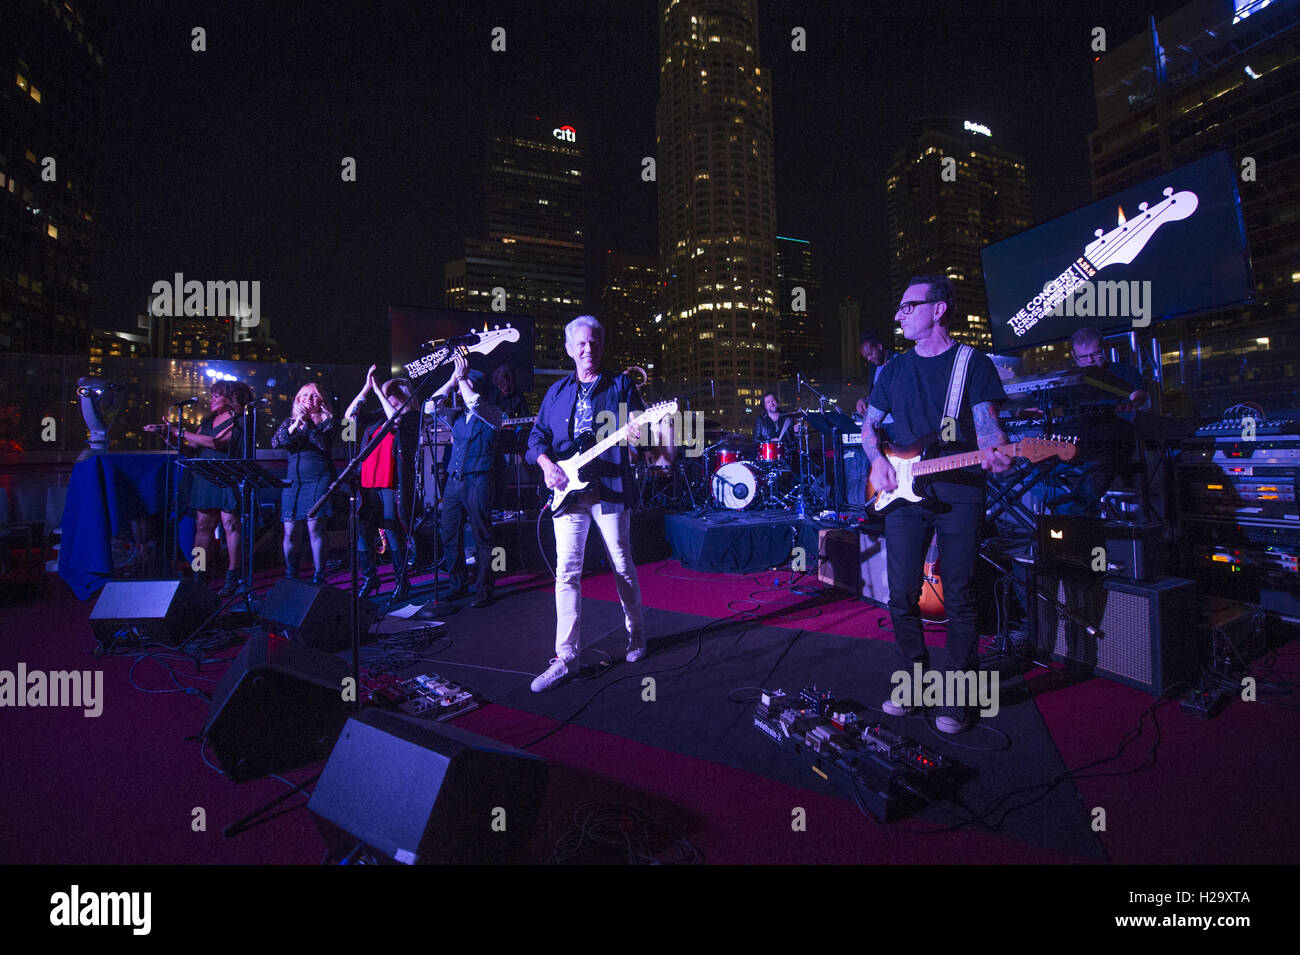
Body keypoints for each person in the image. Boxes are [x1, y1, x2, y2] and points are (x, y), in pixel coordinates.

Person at [861, 275, 1011, 735]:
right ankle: (916, 683)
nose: (898, 315)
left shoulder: (973, 363)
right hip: (904, 493)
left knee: (961, 595)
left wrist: (999, 448)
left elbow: (988, 427)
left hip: (960, 490)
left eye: (908, 307)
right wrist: (877, 463)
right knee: (901, 594)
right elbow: (870, 428)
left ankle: (962, 697)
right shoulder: (894, 371)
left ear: (938, 309)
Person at [525, 315, 672, 692]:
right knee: (566, 572)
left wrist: (641, 433)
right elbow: (536, 438)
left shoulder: (621, 385)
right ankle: (566, 657)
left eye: (595, 342)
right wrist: (546, 466)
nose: (588, 348)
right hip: (566, 491)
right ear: (569, 348)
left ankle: (636, 634)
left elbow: (643, 436)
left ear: (601, 347)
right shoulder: (556, 392)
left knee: (621, 563)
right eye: (582, 343)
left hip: (609, 488)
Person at [147, 379, 252, 596]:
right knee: (203, 527)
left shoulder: (242, 420)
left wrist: (178, 431)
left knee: (230, 524)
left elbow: (216, 443)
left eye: (217, 395)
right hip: (204, 477)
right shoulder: (206, 422)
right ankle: (199, 573)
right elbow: (189, 449)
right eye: (211, 394)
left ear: (231, 398)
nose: (211, 399)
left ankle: (233, 575)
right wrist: (165, 433)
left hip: (227, 475)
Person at [1047, 327, 1150, 516]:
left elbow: (1139, 395)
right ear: (1073, 355)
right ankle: (1068, 506)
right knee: (1028, 469)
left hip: (1110, 443)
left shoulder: (1124, 372)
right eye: (1083, 357)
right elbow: (1052, 406)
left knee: (1097, 472)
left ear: (1105, 348)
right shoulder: (1069, 378)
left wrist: (1133, 403)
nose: (1090, 361)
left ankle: (1072, 514)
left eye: (1095, 354)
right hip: (1075, 442)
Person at [429, 353, 501, 608]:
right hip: (454, 481)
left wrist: (462, 379)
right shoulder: (456, 415)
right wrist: (451, 380)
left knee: (483, 535)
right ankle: (457, 585)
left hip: (479, 480)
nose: (460, 392)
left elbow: (475, 403)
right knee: (449, 534)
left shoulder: (491, 412)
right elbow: (429, 406)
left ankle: (484, 588)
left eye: (465, 384)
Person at [345, 366, 418, 602]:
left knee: (391, 528)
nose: (389, 398)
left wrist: (378, 391)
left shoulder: (411, 418)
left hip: (390, 482)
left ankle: (401, 581)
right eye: (388, 394)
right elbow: (349, 417)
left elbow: (394, 420)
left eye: (393, 394)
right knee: (363, 528)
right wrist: (367, 388)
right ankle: (370, 577)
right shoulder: (377, 415)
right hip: (367, 481)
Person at [273, 383, 337, 584]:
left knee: (315, 527)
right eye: (305, 395)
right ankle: (291, 574)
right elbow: (277, 442)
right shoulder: (289, 422)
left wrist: (308, 423)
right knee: (290, 530)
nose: (309, 399)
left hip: (319, 477)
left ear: (322, 400)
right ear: (298, 400)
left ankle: (319, 575)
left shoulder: (328, 422)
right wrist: (296, 424)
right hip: (294, 481)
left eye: (315, 396)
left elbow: (323, 444)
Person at [855, 328, 894, 417]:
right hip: (881, 422)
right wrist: (864, 400)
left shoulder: (897, 361)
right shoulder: (874, 368)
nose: (868, 359)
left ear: (879, 346)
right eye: (866, 357)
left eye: (870, 354)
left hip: (896, 422)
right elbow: (877, 394)